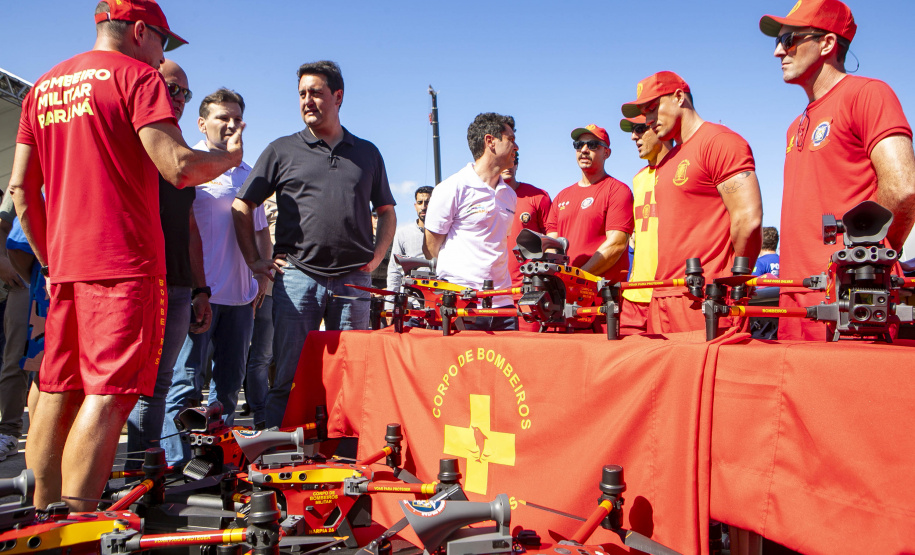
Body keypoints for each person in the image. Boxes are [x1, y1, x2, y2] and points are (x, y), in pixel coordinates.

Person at [8, 0, 244, 510]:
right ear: (140, 31)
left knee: (57, 387)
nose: (162, 57)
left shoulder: (45, 86)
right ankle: (75, 521)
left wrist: (51, 260)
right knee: (109, 395)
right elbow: (177, 165)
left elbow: (22, 192)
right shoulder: (138, 79)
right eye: (163, 42)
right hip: (126, 265)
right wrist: (229, 157)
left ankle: (40, 522)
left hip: (67, 267)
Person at [233, 60, 395, 429]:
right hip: (297, 279)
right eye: (302, 94)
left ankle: (347, 452)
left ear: (338, 97)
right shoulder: (281, 150)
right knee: (288, 374)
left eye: (316, 93)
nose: (307, 100)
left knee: (353, 375)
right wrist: (255, 261)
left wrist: (378, 255)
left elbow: (386, 210)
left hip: (354, 282)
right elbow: (242, 205)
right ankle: (275, 450)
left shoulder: (367, 153)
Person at [759, 0, 915, 340]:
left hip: (849, 304)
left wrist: (875, 259)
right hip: (796, 300)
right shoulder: (794, 126)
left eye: (789, 40)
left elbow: (904, 188)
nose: (777, 52)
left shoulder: (868, 94)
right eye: (777, 42)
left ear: (827, 43)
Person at [161, 88, 269, 464]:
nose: (230, 124)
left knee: (227, 389)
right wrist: (193, 289)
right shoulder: (188, 166)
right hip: (199, 296)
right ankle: (175, 464)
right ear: (201, 123)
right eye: (222, 117)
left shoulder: (249, 173)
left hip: (240, 299)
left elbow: (259, 231)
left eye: (236, 117)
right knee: (185, 385)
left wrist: (262, 280)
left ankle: (216, 462)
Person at [622, 71, 762, 334]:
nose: (648, 120)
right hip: (663, 297)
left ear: (678, 97)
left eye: (652, 108)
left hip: (706, 299)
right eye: (644, 112)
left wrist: (734, 281)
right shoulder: (666, 162)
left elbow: (748, 219)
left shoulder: (720, 142)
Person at [124, 59, 212, 469]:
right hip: (139, 280)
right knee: (131, 387)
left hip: (177, 285)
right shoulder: (132, 142)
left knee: (157, 385)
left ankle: (144, 478)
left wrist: (199, 289)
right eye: (169, 88)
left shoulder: (178, 151)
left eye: (183, 93)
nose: (175, 98)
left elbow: (189, 228)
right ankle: (130, 478)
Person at [423, 112, 518, 331]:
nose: (516, 146)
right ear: (490, 141)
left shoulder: (509, 195)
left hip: (503, 304)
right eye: (510, 139)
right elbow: (431, 247)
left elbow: (499, 242)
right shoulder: (452, 187)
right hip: (462, 304)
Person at [546, 124, 634, 285]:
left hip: (601, 294)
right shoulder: (561, 196)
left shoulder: (618, 190)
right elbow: (551, 245)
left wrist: (577, 277)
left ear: (606, 153)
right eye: (579, 145)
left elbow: (616, 244)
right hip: (565, 292)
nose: (584, 150)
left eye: (592, 145)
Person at [618, 115, 672, 334]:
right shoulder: (638, 179)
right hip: (635, 294)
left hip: (671, 293)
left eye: (640, 129)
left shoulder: (685, 169)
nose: (633, 137)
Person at [502, 154, 551, 332]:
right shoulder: (483, 199)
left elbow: (552, 242)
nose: (508, 165)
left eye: (513, 160)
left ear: (517, 163)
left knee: (527, 352)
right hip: (493, 293)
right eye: (504, 160)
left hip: (527, 293)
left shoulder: (538, 197)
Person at [0, 193, 29, 462]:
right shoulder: (32, 162)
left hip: (71, 270)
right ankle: (8, 431)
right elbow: (1, 222)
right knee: (16, 357)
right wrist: (3, 262)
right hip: (26, 278)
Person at [386, 186, 433, 326]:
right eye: (420, 202)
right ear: (415, 205)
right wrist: (389, 305)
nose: (423, 207)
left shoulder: (447, 233)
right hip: (410, 310)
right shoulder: (403, 234)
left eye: (428, 202)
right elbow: (394, 271)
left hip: (439, 308)